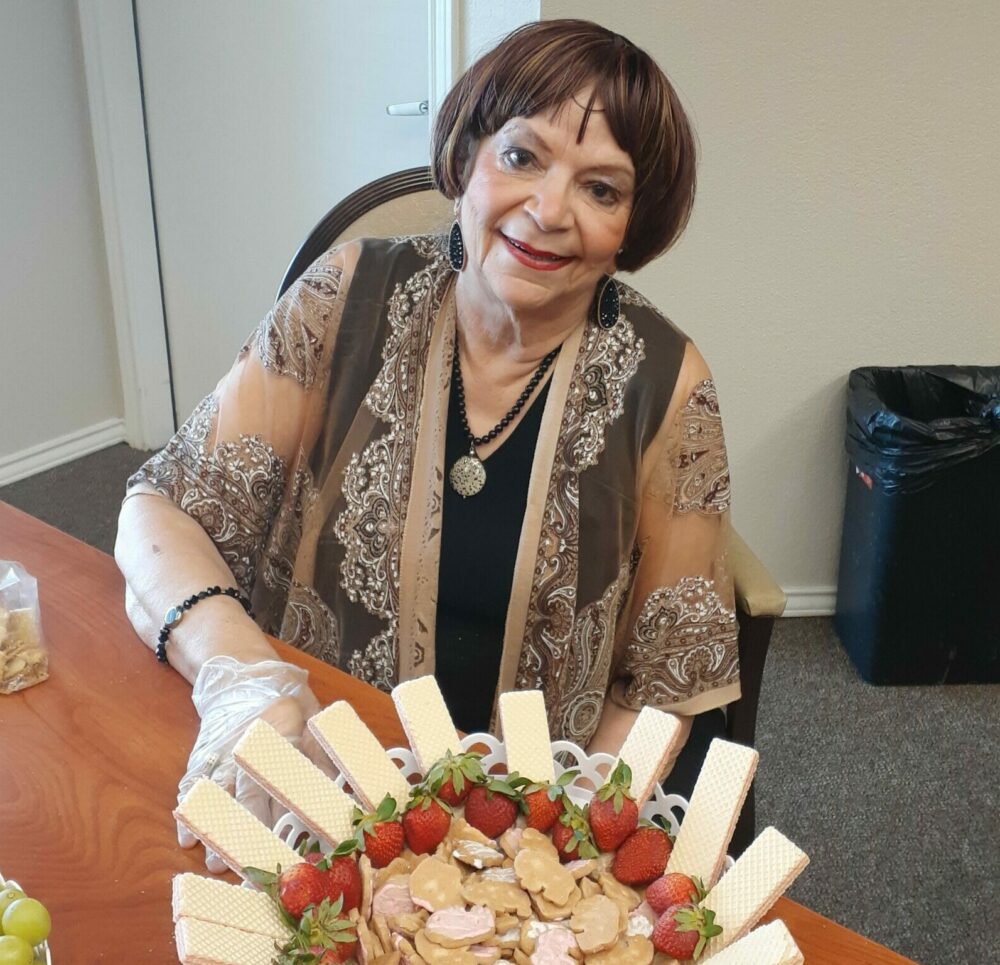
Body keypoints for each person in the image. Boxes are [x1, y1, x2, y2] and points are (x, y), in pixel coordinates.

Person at [115, 19, 739, 868]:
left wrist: (577, 831)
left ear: (633, 226)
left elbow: (671, 674)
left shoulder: (668, 380)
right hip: (317, 789)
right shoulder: (346, 295)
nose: (549, 211)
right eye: (523, 157)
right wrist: (240, 680)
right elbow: (160, 508)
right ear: (466, 158)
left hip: (528, 830)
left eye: (601, 188)